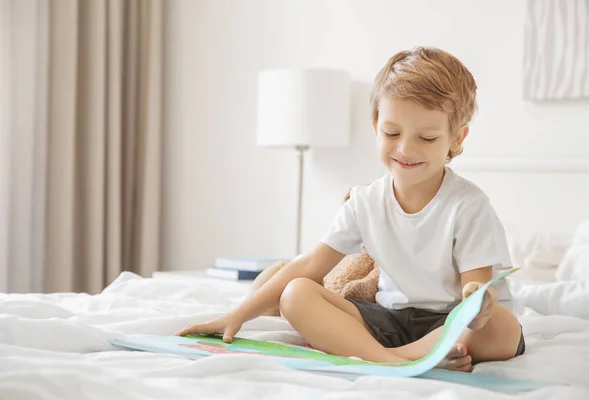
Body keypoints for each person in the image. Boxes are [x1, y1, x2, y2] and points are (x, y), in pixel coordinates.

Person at [178, 47, 525, 372]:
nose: (405, 148)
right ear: (376, 126)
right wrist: (236, 316)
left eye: (427, 138)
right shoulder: (365, 201)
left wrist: (476, 304)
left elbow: (477, 290)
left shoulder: (468, 205)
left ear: (457, 139)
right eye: (392, 132)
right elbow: (310, 266)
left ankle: (403, 355)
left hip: (449, 322)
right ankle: (394, 360)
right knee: (296, 293)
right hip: (389, 321)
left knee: (502, 328)